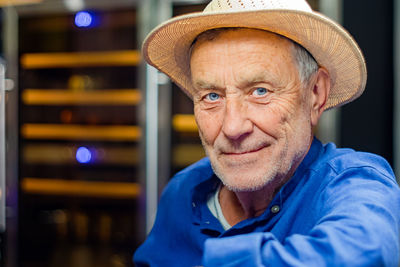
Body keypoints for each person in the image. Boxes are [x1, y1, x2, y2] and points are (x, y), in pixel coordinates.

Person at [134, 0, 400, 266]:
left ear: (315, 94)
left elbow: (366, 253)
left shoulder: (354, 183)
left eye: (260, 91)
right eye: (212, 96)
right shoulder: (184, 191)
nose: (233, 127)